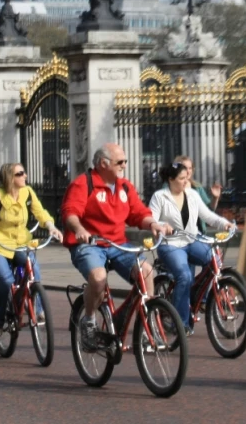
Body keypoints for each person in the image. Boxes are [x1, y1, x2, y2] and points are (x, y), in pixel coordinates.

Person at [61, 143, 173, 351]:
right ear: (103, 164)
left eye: (125, 161)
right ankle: (89, 321)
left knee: (147, 273)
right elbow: (70, 212)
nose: (124, 165)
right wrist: (79, 229)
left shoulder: (124, 187)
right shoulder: (83, 184)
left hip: (117, 244)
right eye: (119, 162)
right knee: (98, 278)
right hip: (90, 244)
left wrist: (154, 224)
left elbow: (138, 213)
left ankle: (148, 327)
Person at [0, 163, 64, 336]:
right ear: (10, 178)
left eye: (24, 173)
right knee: (6, 280)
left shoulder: (27, 192)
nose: (25, 176)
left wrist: (51, 227)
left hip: (21, 243)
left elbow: (41, 213)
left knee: (34, 270)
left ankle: (35, 309)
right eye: (20, 173)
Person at [149, 162, 232, 335]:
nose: (186, 181)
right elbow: (151, 220)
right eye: (181, 178)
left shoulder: (192, 194)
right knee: (185, 276)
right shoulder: (159, 197)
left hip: (191, 240)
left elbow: (207, 215)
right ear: (171, 180)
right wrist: (163, 226)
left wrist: (225, 224)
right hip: (170, 245)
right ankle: (181, 323)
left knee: (215, 261)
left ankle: (194, 294)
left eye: (187, 177)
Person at [174, 155, 222, 234]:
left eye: (190, 168)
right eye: (185, 168)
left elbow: (209, 209)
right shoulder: (169, 186)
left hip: (198, 233)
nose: (188, 171)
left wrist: (215, 198)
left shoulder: (197, 187)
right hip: (178, 233)